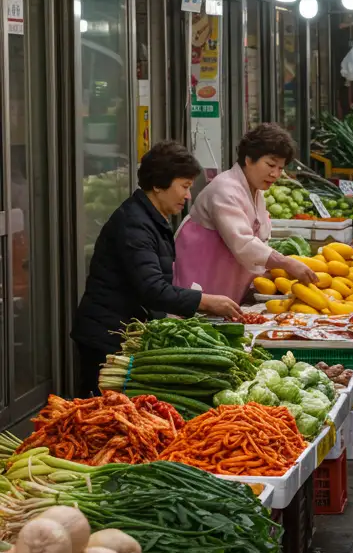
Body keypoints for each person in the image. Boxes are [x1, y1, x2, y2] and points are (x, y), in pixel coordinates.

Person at [73, 142, 243, 396]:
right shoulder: (134, 225)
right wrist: (205, 302)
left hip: (122, 329)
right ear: (158, 184)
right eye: (184, 187)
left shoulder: (150, 218)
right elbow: (152, 288)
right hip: (106, 336)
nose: (188, 196)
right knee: (101, 412)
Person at [173, 124, 317, 301]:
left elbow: (261, 236)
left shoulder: (255, 191)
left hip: (225, 282)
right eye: (271, 164)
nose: (275, 174)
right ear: (248, 160)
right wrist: (285, 263)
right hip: (200, 280)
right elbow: (243, 242)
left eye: (280, 168)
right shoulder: (225, 189)